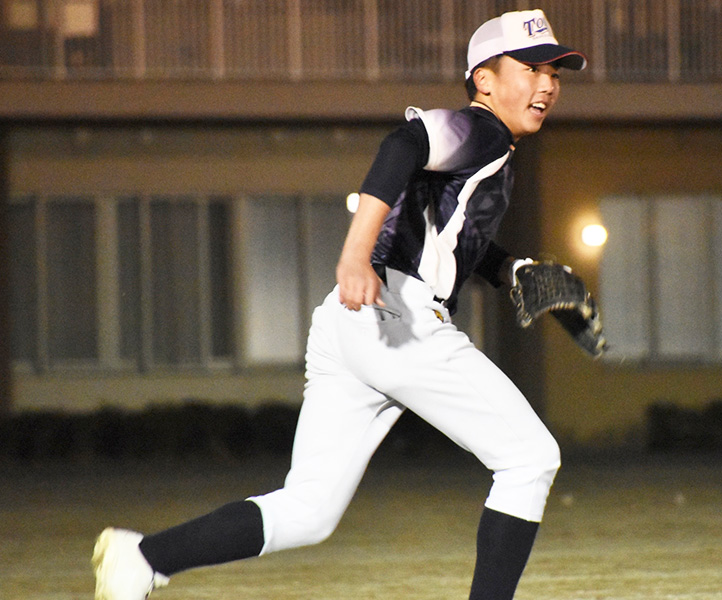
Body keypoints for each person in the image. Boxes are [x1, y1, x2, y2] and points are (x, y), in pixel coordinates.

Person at [92, 9, 586, 600]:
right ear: (484, 79)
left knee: (308, 509)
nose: (548, 83)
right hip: (397, 314)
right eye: (530, 68)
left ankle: (142, 559)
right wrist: (355, 254)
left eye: (556, 71)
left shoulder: (489, 150)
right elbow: (404, 141)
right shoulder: (481, 131)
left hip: (352, 322)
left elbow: (446, 234)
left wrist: (511, 269)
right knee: (529, 458)